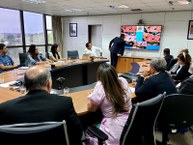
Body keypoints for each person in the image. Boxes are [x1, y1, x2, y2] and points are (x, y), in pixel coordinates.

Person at [0, 66, 83, 145]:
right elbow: (77, 133)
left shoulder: (4, 109)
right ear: (49, 84)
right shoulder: (64, 103)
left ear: (25, 85)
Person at [87, 63, 132, 145]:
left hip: (112, 132)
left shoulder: (100, 86)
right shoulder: (123, 81)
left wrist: (91, 96)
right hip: (129, 126)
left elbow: (91, 109)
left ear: (100, 77)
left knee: (87, 133)